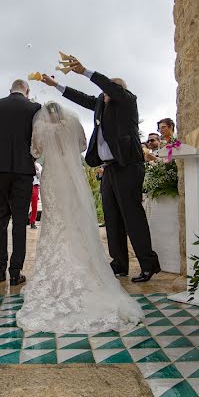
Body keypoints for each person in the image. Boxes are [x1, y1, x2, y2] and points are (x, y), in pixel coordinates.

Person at [16, 101, 143, 333]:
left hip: (53, 177)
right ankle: (85, 266)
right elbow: (83, 145)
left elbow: (35, 152)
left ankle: (55, 277)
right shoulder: (73, 121)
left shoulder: (41, 126)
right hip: (72, 178)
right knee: (75, 221)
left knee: (54, 223)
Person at [41, 58, 161, 283]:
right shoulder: (101, 103)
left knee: (132, 216)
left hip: (128, 166)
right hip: (109, 169)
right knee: (112, 216)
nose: (104, 96)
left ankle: (148, 264)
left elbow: (109, 87)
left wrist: (84, 71)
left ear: (117, 91)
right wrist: (55, 85)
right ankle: (119, 263)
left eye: (107, 92)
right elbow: (82, 98)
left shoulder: (127, 101)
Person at [0, 79, 42, 286]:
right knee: (19, 221)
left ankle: (0, 269)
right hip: (24, 169)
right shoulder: (34, 108)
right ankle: (16, 272)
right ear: (27, 91)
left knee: (0, 218)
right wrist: (33, 160)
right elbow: (37, 139)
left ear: (10, 90)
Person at [29, 161, 42, 229]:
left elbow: (39, 173)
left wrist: (34, 165)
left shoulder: (38, 165)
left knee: (34, 205)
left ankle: (32, 222)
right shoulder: (25, 163)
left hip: (35, 185)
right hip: (26, 185)